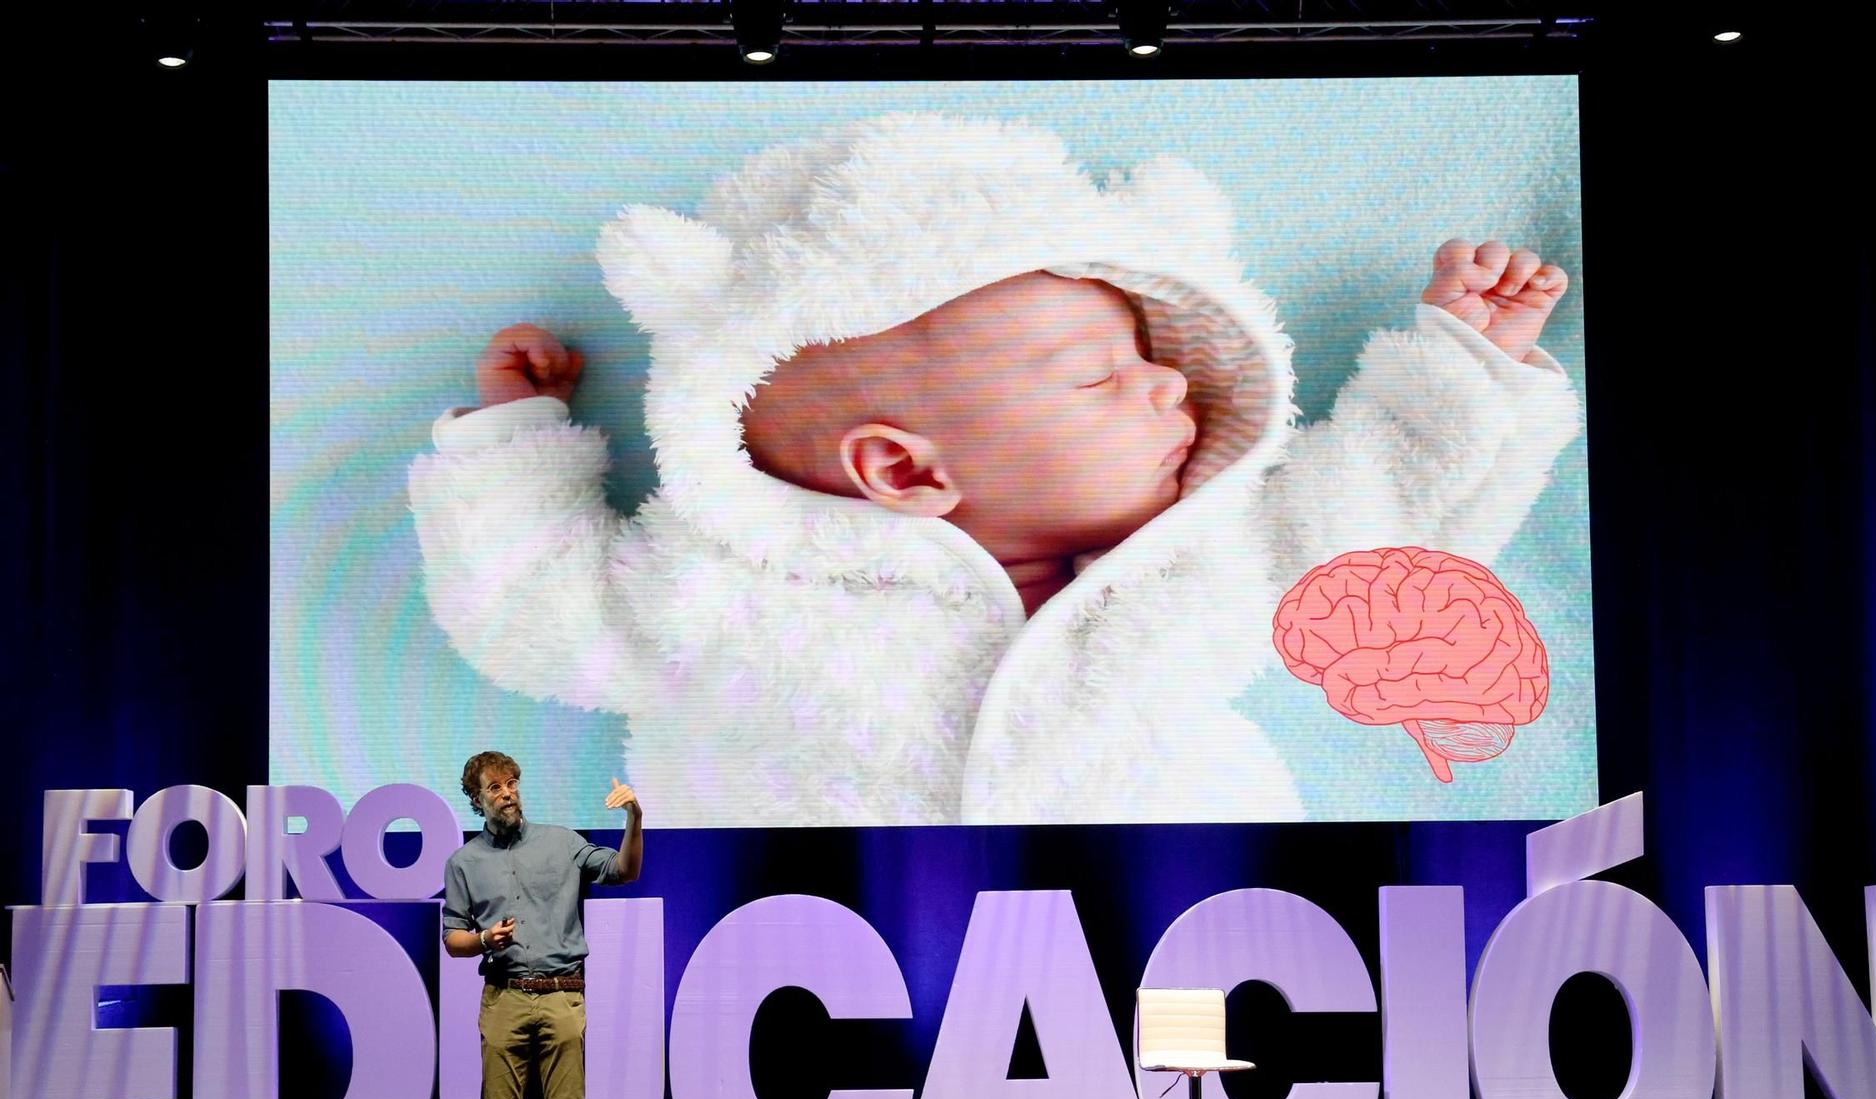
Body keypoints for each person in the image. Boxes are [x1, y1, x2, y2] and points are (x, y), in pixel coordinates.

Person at [409, 113, 1579, 825]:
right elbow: (538, 610)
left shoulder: (1198, 564)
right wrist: (513, 448)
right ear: (903, 471)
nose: (1170, 385)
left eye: (1148, 358)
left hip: (1168, 922)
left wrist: (1467, 363)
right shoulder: (726, 589)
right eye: (1095, 375)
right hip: (800, 954)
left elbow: (1374, 533)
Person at [440, 750, 642, 1099]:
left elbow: (623, 870)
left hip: (561, 996)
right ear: (478, 800)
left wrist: (634, 818)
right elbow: (453, 939)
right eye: (495, 788)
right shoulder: (465, 863)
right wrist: (485, 938)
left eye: (512, 784)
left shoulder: (562, 841)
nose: (508, 793)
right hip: (504, 998)